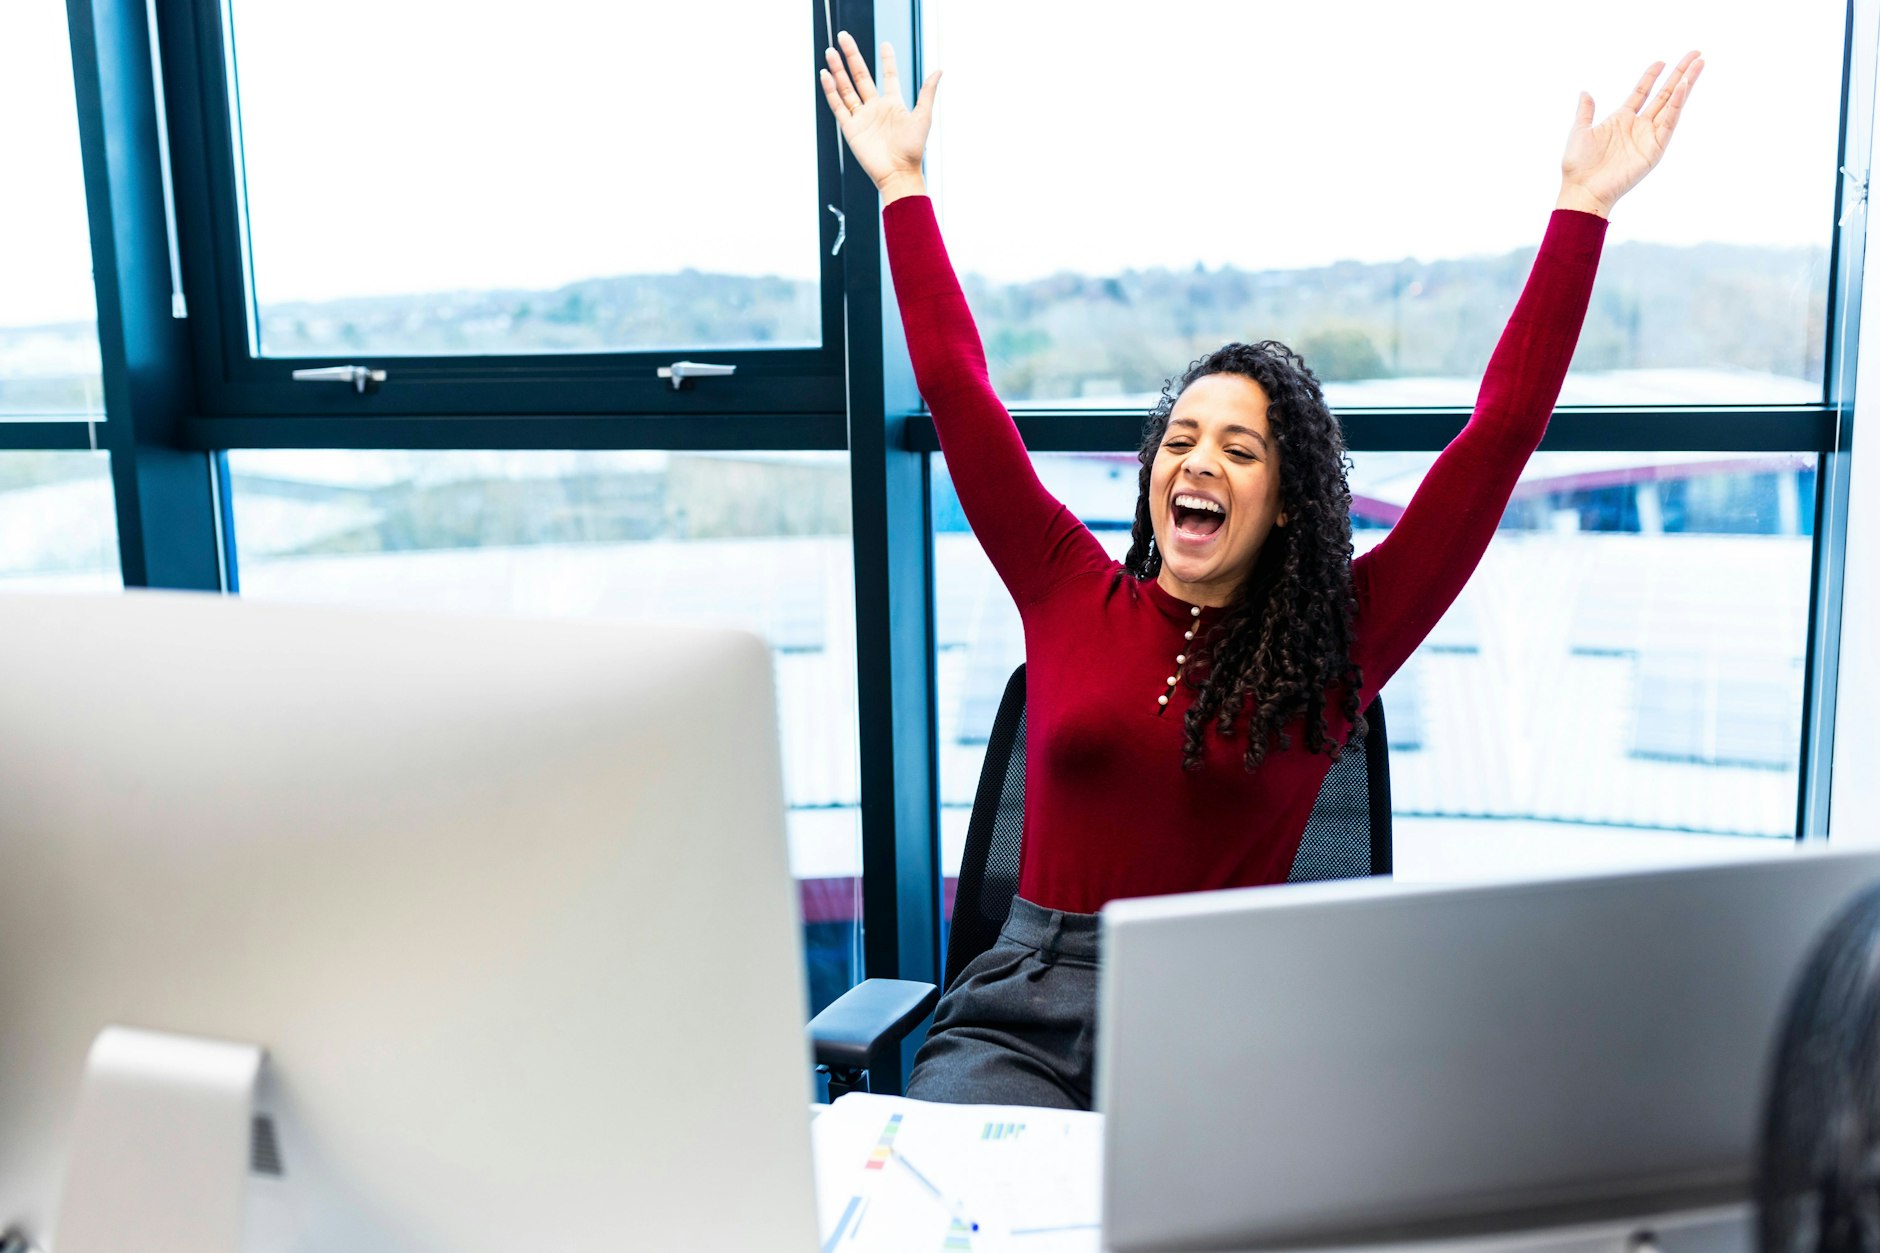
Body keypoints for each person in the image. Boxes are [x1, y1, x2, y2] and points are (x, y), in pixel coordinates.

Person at [821, 33, 1703, 1111]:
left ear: (1285, 498)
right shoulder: (1063, 586)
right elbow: (961, 392)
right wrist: (901, 185)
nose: (1198, 462)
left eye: (1239, 449)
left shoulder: (1345, 641)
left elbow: (1496, 436)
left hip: (1216, 1030)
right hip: (1021, 1009)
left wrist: (1582, 208)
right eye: (1180, 440)